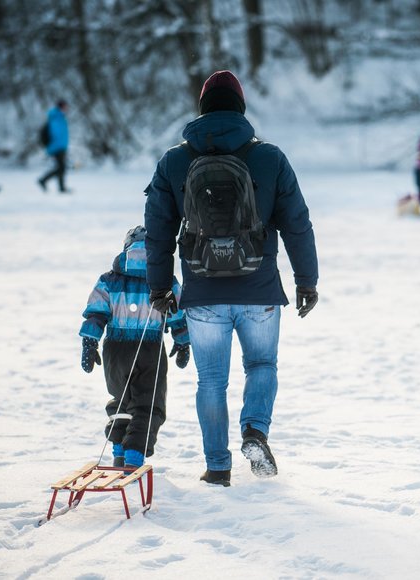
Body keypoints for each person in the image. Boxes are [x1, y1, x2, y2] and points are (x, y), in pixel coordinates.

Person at [144, 70, 319, 487]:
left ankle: (217, 467)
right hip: (258, 286)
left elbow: (158, 230)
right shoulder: (269, 157)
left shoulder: (175, 161)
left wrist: (159, 285)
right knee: (261, 364)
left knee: (211, 381)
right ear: (240, 107)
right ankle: (255, 430)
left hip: (203, 289)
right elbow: (297, 223)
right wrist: (306, 280)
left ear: (202, 109)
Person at [79, 226, 191, 468]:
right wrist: (182, 341)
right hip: (150, 350)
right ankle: (133, 456)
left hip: (115, 351)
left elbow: (96, 313)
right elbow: (176, 313)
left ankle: (119, 448)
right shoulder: (165, 280)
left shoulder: (108, 280)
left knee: (122, 399)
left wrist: (90, 342)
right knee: (148, 405)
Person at [38, 99, 70, 193]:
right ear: (61, 106)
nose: (67, 108)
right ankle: (43, 180)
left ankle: (61, 187)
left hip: (61, 146)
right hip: (56, 146)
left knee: (61, 167)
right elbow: (56, 133)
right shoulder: (56, 117)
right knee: (61, 167)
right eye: (65, 106)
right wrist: (54, 145)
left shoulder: (60, 117)